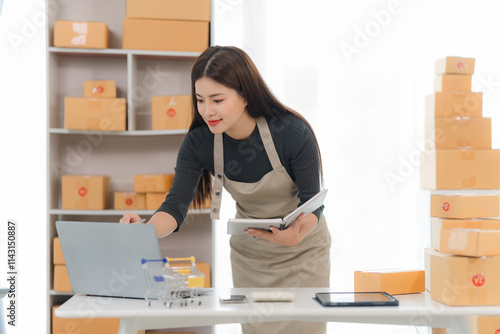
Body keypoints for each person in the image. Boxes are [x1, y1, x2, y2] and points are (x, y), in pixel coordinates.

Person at [121, 45, 331, 334]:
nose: (208, 111)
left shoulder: (292, 133)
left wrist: (295, 236)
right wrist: (144, 230)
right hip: (252, 258)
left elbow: (313, 204)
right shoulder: (200, 143)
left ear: (245, 95)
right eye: (200, 100)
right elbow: (174, 207)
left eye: (217, 99)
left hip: (303, 251)